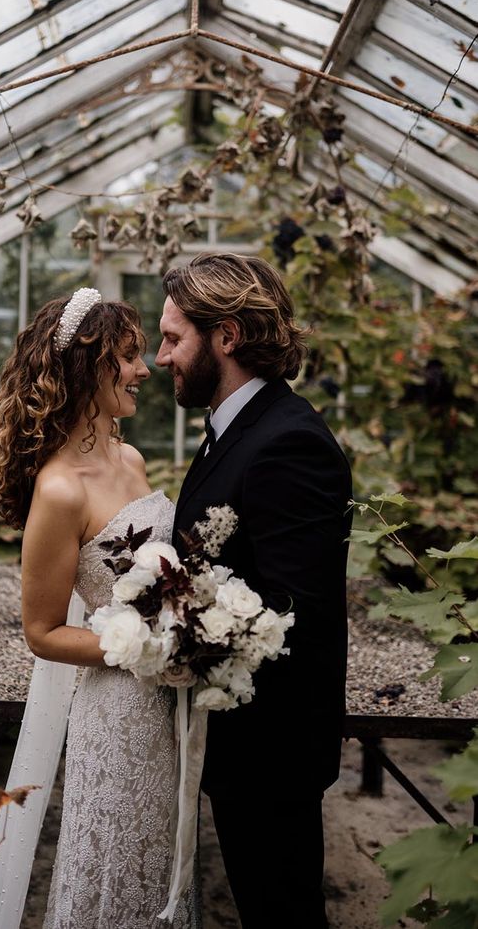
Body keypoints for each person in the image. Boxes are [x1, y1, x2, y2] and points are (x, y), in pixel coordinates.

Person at [0, 288, 199, 929]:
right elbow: (41, 632)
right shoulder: (60, 489)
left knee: (164, 866)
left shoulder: (132, 459)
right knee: (115, 867)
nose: (144, 369)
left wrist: (186, 626)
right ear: (85, 367)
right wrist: (148, 645)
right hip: (116, 708)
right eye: (127, 357)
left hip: (167, 703)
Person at [157, 253, 352, 929]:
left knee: (283, 914)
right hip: (240, 740)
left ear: (227, 337)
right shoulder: (232, 432)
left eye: (173, 338)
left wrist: (174, 633)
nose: (160, 358)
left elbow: (295, 611)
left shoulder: (288, 441)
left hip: (272, 751)